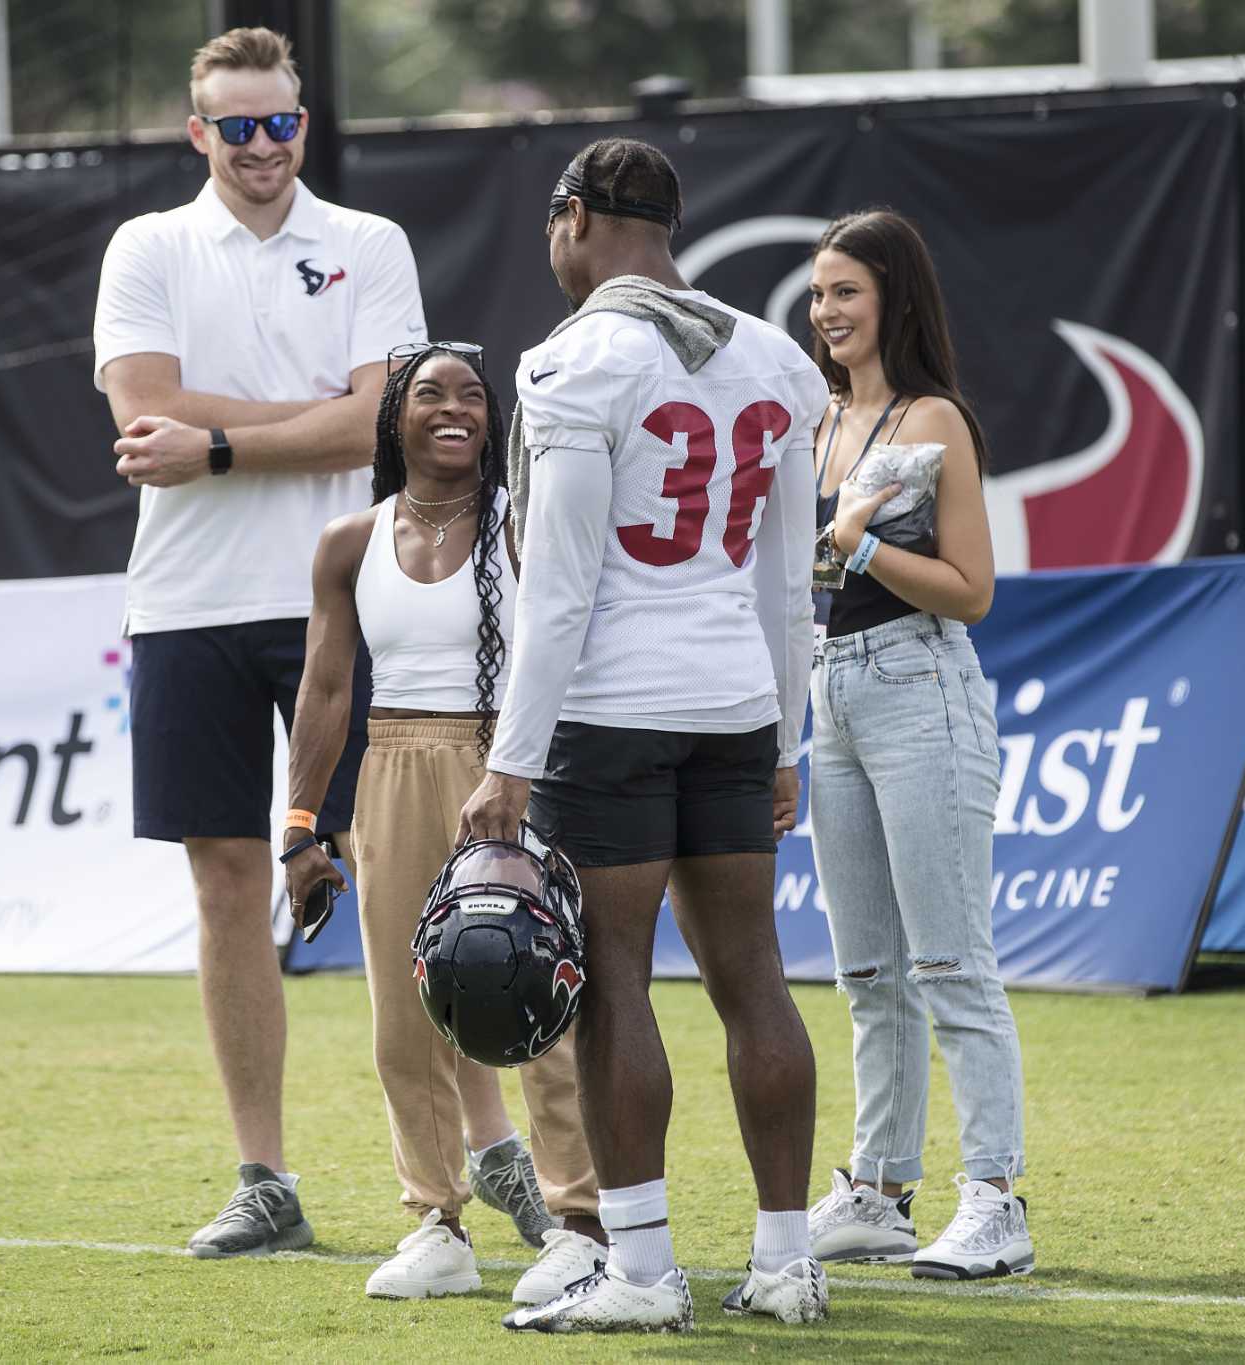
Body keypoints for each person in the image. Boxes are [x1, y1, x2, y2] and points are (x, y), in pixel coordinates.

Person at [458, 137, 830, 1333]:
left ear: (571, 218)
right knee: (752, 978)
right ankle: (785, 1262)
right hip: (731, 703)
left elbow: (559, 585)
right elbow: (787, 584)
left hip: (609, 710)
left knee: (613, 985)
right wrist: (783, 742)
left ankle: (641, 1268)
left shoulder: (576, 361)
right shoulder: (774, 357)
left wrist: (510, 759)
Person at [92, 25, 433, 1257]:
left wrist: (223, 441)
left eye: (278, 123)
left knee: (398, 873)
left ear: (304, 124)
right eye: (234, 127)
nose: (259, 146)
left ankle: (456, 1170)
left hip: (346, 596)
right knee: (226, 884)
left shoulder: (366, 243)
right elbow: (143, 412)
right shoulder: (148, 245)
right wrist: (324, 414)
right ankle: (265, 1179)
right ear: (199, 134)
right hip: (182, 603)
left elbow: (386, 428)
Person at [279, 344, 608, 1294]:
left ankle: (577, 1219)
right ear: (396, 417)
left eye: (473, 395)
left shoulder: (521, 524)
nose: (455, 408)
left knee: (539, 995)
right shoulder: (350, 540)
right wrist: (301, 825)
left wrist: (521, 767)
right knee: (406, 1009)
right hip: (390, 767)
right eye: (431, 393)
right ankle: (436, 1223)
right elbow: (327, 690)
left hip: (508, 765)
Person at [798, 211, 1029, 1280]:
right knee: (865, 971)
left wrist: (857, 544)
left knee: (950, 964)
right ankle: (877, 1190)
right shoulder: (819, 419)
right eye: (816, 293)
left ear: (893, 295)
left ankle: (994, 1200)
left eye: (846, 290)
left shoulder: (931, 417)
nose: (827, 311)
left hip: (917, 684)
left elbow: (970, 592)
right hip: (828, 698)